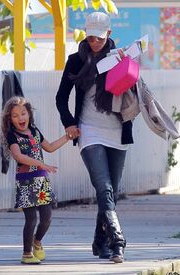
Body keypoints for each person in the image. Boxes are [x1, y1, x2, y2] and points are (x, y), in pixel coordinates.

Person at [56, 12, 130, 263]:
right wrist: (70, 123)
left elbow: (133, 93)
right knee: (104, 187)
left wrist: (125, 66)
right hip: (89, 131)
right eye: (90, 38)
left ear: (109, 34)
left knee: (112, 192)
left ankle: (100, 242)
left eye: (99, 38)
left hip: (118, 131)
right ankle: (117, 241)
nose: (94, 42)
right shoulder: (76, 61)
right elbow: (61, 97)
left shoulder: (121, 57)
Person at [1, 96, 69, 264]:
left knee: (47, 218)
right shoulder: (12, 135)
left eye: (23, 113)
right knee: (31, 219)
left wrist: (67, 137)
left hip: (41, 181)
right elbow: (18, 156)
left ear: (29, 114)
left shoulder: (35, 132)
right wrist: (41, 164)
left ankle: (37, 242)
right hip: (25, 183)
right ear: (10, 119)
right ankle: (26, 254)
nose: (20, 118)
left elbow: (50, 147)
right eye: (15, 116)